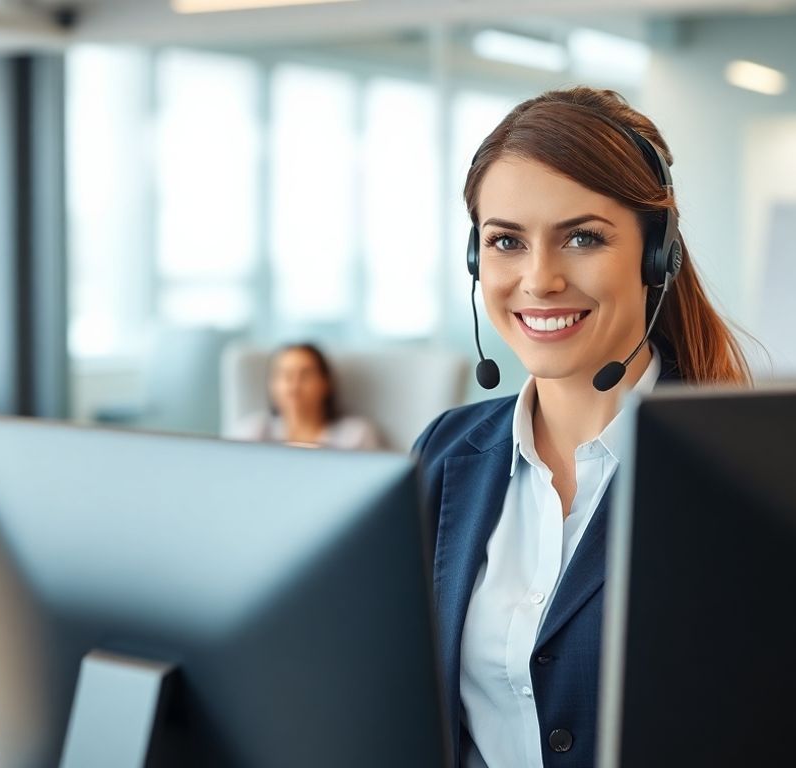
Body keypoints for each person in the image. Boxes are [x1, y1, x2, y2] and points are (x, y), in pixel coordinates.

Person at [413, 87, 751, 768]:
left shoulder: (746, 471)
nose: (539, 279)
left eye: (582, 237)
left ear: (657, 256)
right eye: (505, 241)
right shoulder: (444, 455)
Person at [227, 342, 383, 450]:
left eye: (305, 374)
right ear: (271, 384)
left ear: (325, 383)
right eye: (285, 375)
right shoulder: (250, 433)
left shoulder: (356, 435)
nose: (294, 384)